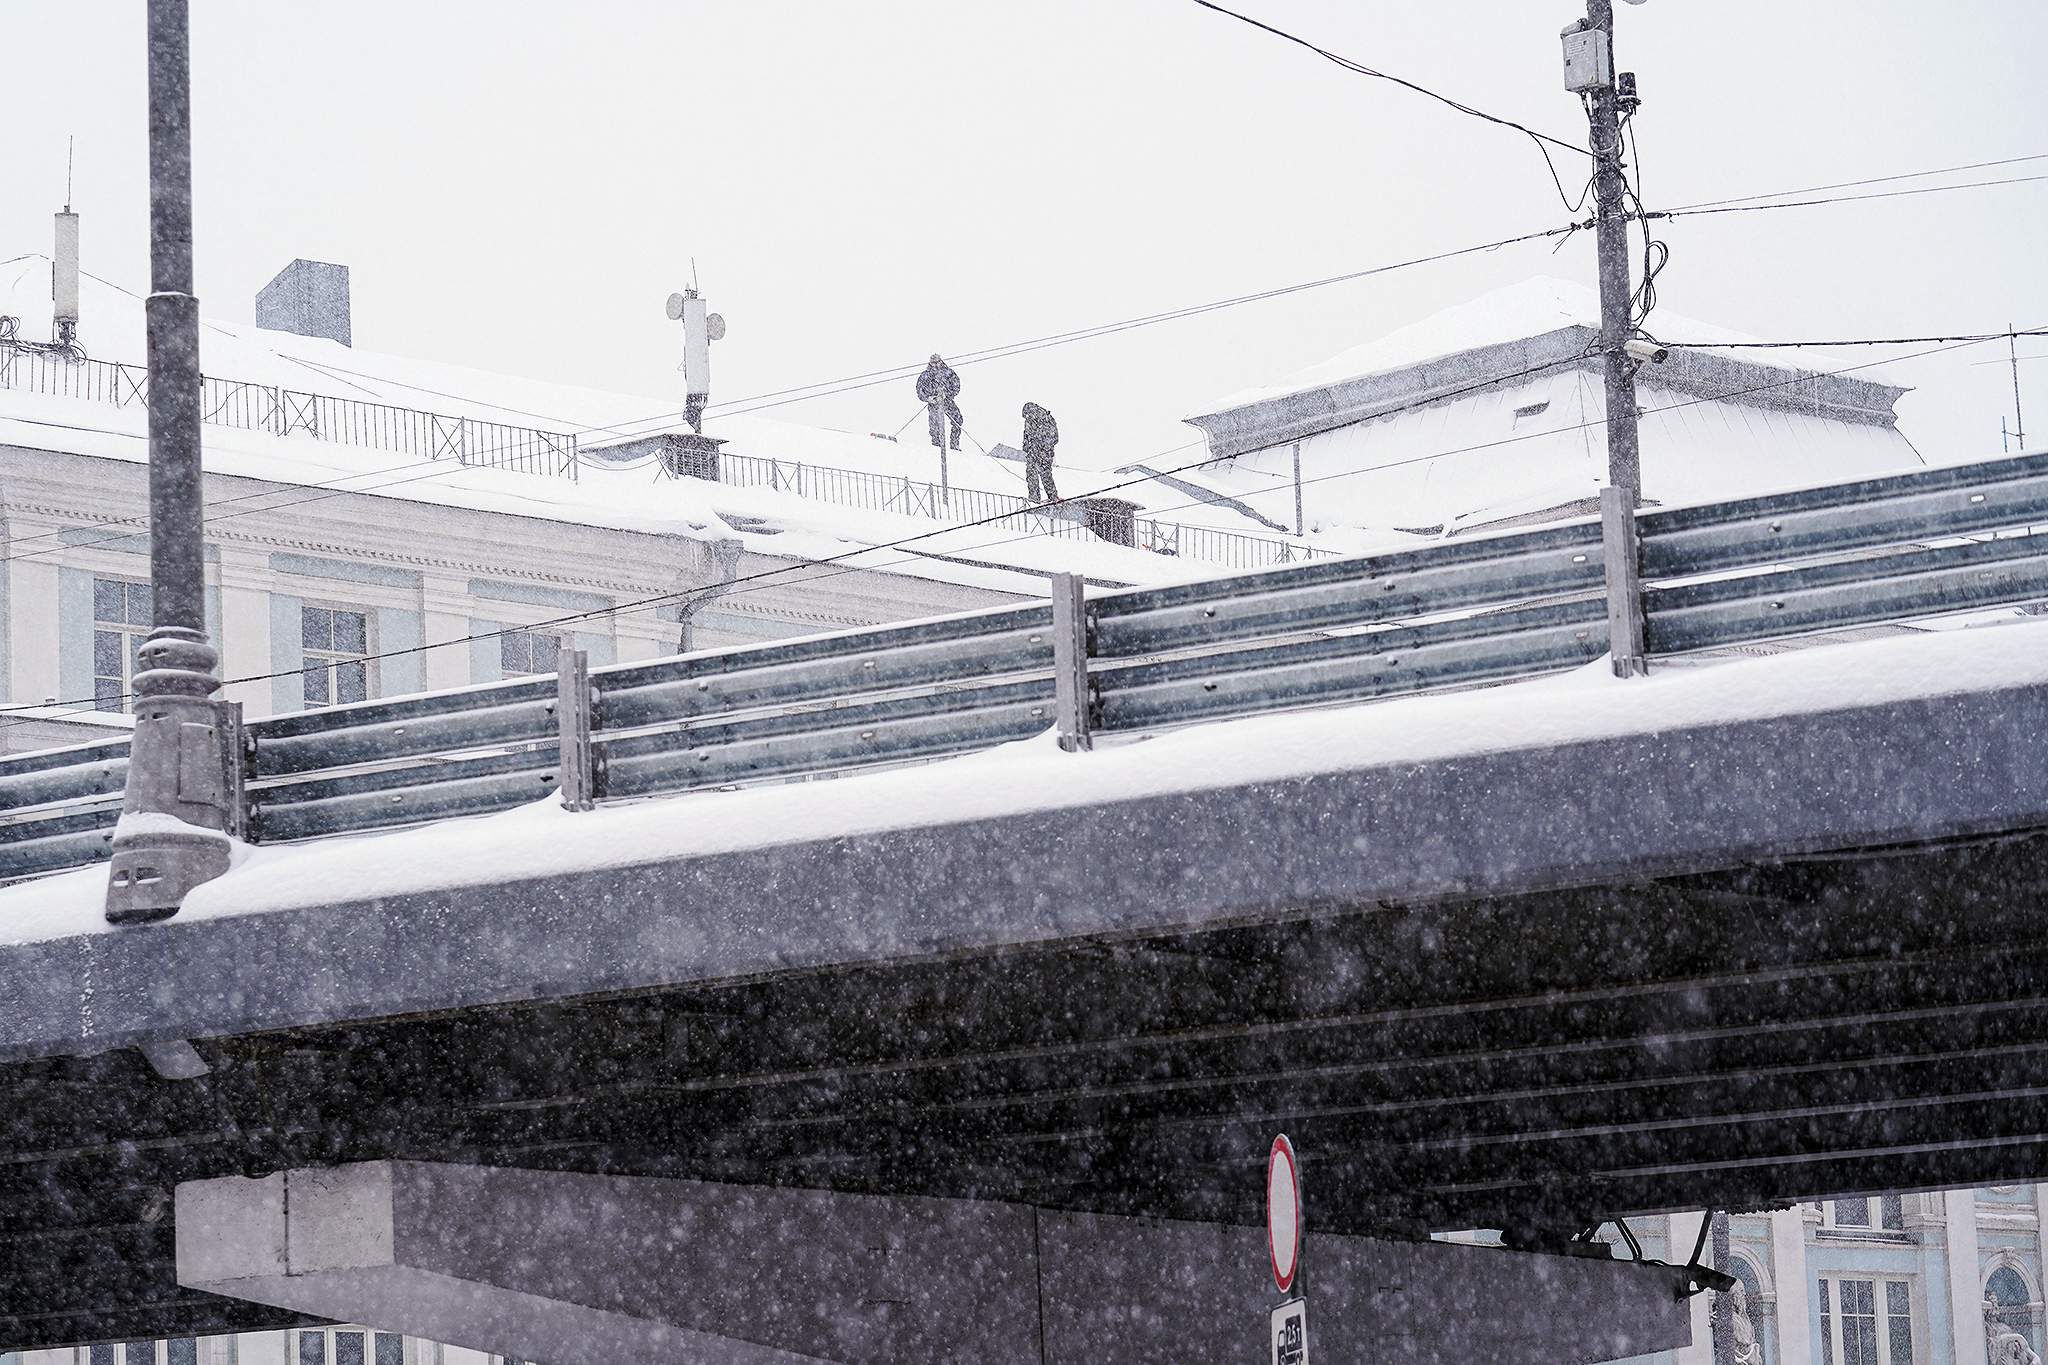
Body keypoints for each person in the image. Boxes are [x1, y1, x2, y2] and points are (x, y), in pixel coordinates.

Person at [916, 354, 963, 452]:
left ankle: (954, 445)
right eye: (933, 363)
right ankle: (937, 447)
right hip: (933, 403)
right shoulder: (925, 375)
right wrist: (928, 398)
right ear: (930, 363)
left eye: (937, 362)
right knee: (934, 426)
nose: (936, 365)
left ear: (941, 361)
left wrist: (947, 395)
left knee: (957, 420)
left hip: (947, 401)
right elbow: (919, 390)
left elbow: (956, 386)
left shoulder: (949, 373)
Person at [1021, 401, 1060, 503]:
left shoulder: (1046, 418)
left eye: (1027, 416)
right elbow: (1026, 436)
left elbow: (1054, 437)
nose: (1027, 418)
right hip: (1033, 453)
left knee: (1045, 474)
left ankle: (1053, 497)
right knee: (1031, 474)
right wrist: (1026, 446)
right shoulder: (1029, 421)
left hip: (1044, 453)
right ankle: (1034, 499)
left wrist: (1044, 447)